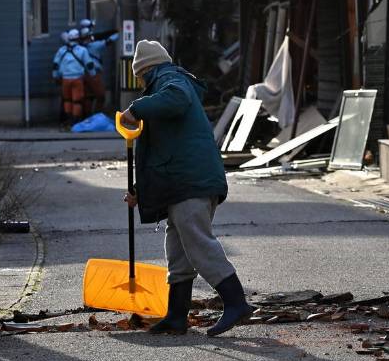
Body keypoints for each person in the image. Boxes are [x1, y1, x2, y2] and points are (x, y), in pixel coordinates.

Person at [120, 40, 254, 336]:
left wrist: (137, 108)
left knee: (196, 241)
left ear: (146, 70)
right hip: (184, 181)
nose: (141, 83)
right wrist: (139, 190)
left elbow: (177, 99)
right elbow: (160, 155)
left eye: (140, 76)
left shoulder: (171, 80)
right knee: (178, 248)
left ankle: (236, 301)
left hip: (192, 182)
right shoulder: (162, 88)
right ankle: (177, 315)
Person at [52, 29, 94, 127]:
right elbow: (89, 64)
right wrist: (92, 74)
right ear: (78, 38)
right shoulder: (82, 50)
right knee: (77, 100)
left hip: (65, 79)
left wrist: (55, 76)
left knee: (67, 99)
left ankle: (68, 119)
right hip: (78, 78)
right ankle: (75, 121)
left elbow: (55, 65)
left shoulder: (62, 50)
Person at [79, 22, 118, 115]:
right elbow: (109, 41)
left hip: (82, 74)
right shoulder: (94, 46)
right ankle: (97, 115)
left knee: (88, 96)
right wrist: (120, 33)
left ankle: (87, 117)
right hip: (94, 73)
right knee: (101, 96)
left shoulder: (79, 47)